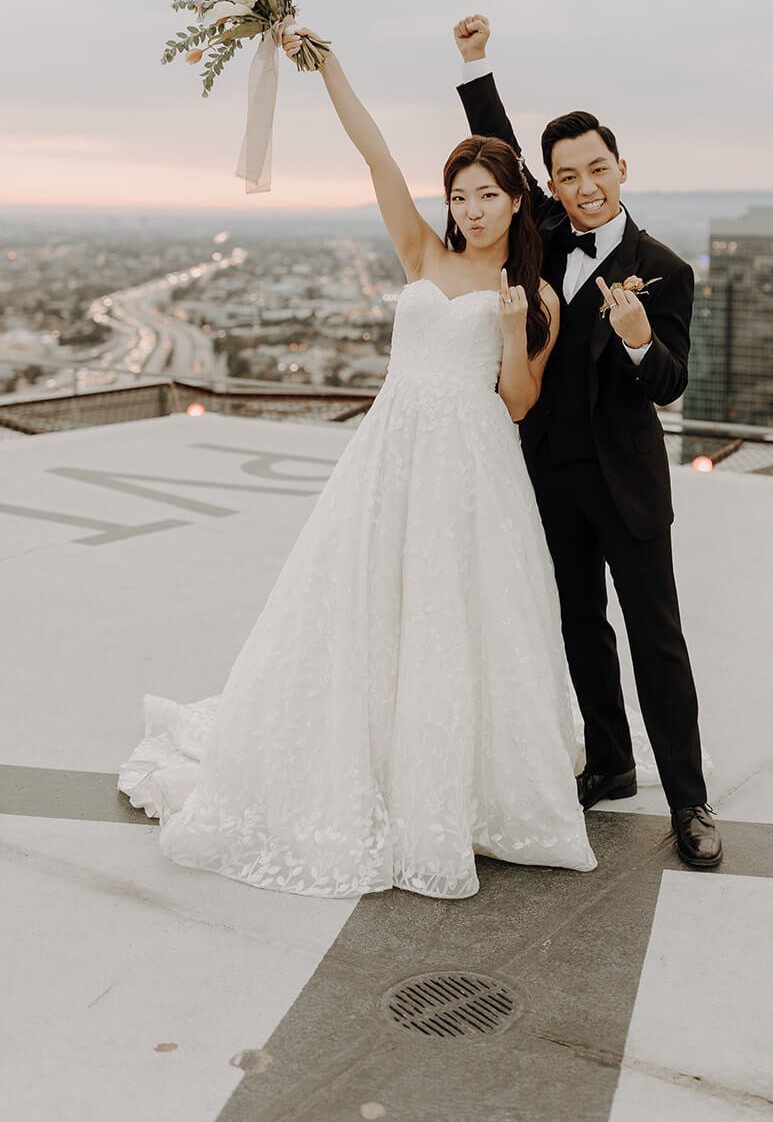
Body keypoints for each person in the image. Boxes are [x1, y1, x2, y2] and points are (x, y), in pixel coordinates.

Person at [118, 48, 596, 899]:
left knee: (458, 616)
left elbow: (518, 405)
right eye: (459, 195)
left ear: (518, 201)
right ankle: (363, 760)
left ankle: (447, 789)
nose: (472, 209)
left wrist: (522, 328)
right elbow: (375, 154)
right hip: (390, 455)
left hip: (473, 469)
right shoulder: (421, 253)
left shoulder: (538, 296)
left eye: (488, 195)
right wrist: (328, 69)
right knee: (367, 604)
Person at [452, 15, 722, 870]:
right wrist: (475, 64)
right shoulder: (543, 237)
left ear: (621, 168)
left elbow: (669, 382)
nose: (583, 185)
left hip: (628, 483)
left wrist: (640, 337)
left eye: (596, 168)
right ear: (554, 187)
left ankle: (690, 801)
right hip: (547, 476)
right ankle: (608, 765)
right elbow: (496, 150)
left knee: (656, 640)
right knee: (578, 628)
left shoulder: (665, 268)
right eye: (566, 175)